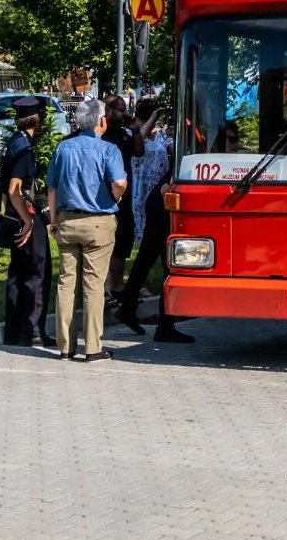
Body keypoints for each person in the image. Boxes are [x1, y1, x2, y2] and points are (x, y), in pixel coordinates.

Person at [45, 97, 129, 362]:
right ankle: (93, 347)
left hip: (67, 221)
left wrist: (54, 219)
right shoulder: (109, 150)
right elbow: (119, 182)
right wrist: (117, 195)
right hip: (98, 222)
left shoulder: (63, 148)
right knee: (93, 285)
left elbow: (52, 187)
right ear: (101, 121)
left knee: (65, 284)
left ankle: (65, 347)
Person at [116, 99, 193, 343]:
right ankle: (165, 325)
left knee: (147, 260)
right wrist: (153, 119)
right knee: (170, 265)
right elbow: (138, 143)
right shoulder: (137, 135)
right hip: (156, 202)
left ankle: (128, 309)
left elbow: (172, 154)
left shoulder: (169, 140)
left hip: (159, 200)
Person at [0, 98, 50, 348]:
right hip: (25, 213)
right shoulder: (24, 147)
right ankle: (32, 331)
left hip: (13, 214)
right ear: (37, 117)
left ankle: (14, 330)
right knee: (36, 273)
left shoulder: (14, 141)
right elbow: (14, 188)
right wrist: (28, 220)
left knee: (17, 274)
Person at [102, 94, 138, 304]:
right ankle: (106, 289)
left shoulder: (124, 134)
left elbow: (138, 151)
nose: (125, 113)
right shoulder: (102, 134)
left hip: (124, 197)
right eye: (121, 110)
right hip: (107, 197)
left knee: (123, 242)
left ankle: (117, 287)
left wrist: (135, 130)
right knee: (106, 244)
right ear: (108, 111)